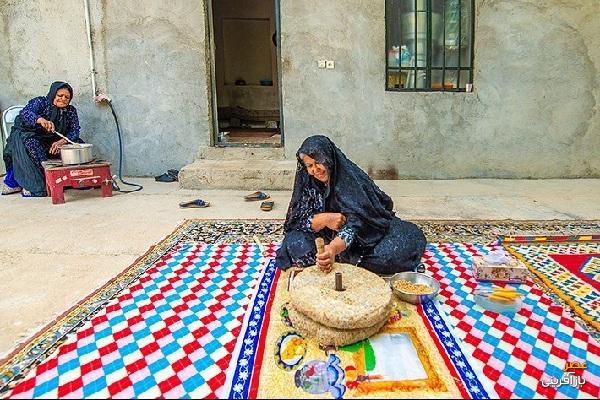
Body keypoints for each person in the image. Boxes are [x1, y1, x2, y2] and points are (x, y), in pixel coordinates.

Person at [276, 135, 427, 275]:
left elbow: (358, 223)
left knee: (391, 254)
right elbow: (296, 220)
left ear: (329, 158)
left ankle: (339, 259)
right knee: (293, 242)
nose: (315, 170)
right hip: (324, 235)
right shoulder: (308, 183)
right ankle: (337, 260)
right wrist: (324, 219)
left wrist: (333, 248)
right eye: (309, 166)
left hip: (361, 239)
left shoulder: (350, 182)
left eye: (318, 162)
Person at [2, 81, 81, 197]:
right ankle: (34, 182)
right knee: (31, 144)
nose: (63, 99)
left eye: (67, 97)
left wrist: (61, 141)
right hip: (30, 136)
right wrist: (41, 120)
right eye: (60, 95)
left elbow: (75, 131)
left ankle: (64, 179)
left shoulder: (70, 111)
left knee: (77, 145)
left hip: (53, 141)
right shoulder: (40, 102)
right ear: (53, 94)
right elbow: (25, 113)